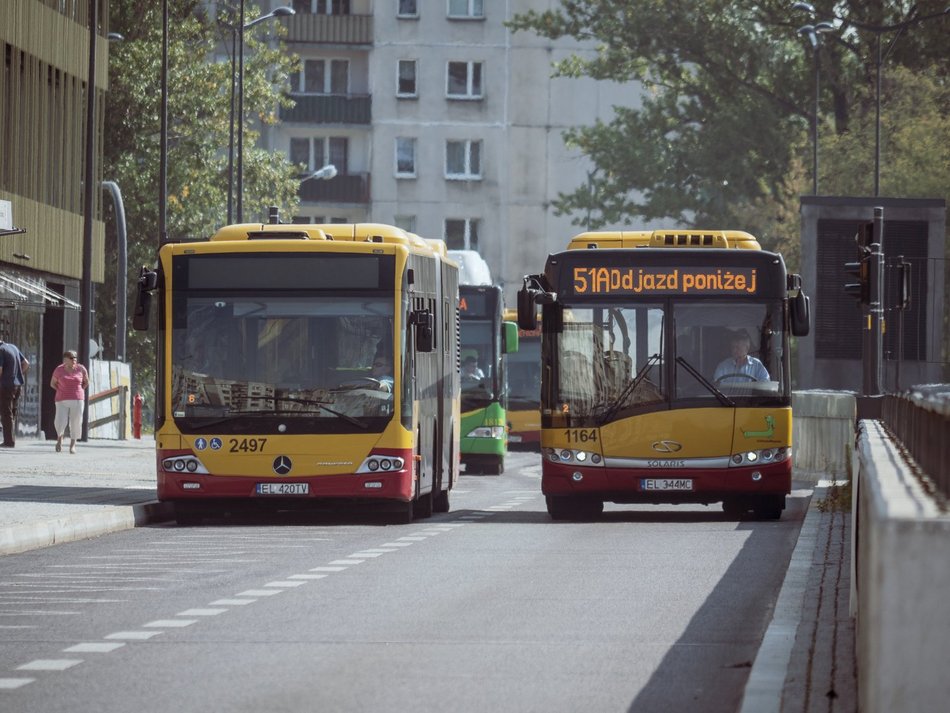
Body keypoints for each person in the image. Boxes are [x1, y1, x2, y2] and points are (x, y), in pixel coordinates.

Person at [50, 350, 89, 454]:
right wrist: (61, 390)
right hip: (61, 400)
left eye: (75, 357)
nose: (74, 360)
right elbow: (52, 383)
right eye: (72, 358)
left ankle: (73, 445)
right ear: (65, 359)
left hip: (77, 399)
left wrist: (79, 391)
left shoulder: (81, 369)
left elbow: (86, 382)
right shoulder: (59, 370)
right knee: (59, 421)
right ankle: (59, 439)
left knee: (76, 422)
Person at [0, 338, 30, 448]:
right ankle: (11, 439)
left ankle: (9, 441)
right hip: (17, 385)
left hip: (6, 385)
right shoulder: (13, 347)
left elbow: (0, 370)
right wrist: (17, 374)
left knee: (6, 413)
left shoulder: (1, 350)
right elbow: (26, 363)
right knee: (12, 413)